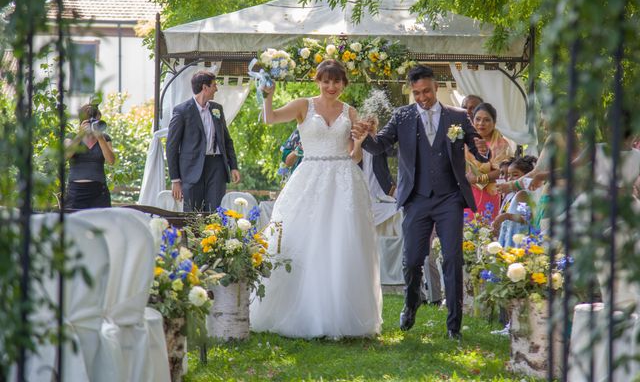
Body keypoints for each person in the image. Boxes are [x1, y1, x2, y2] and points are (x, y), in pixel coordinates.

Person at [354, 65, 490, 340]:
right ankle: (411, 303)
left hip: (449, 198)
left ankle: (454, 326)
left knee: (452, 258)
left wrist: (483, 152)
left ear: (436, 86)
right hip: (416, 199)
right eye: (416, 93)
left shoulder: (458, 116)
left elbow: (477, 148)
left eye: (426, 91)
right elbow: (380, 146)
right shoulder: (402, 116)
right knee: (412, 260)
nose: (422, 97)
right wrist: (365, 136)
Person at [250, 60, 382, 338]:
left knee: (341, 244)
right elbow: (270, 118)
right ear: (317, 81)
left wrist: (360, 141)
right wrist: (268, 96)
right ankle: (301, 312)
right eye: (326, 81)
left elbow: (354, 156)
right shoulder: (303, 105)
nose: (331, 87)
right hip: (309, 177)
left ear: (344, 84)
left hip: (344, 181)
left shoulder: (350, 111)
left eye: (336, 82)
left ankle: (338, 315)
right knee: (302, 241)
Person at [166, 70, 240, 212]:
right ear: (205, 88)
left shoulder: (217, 109)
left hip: (217, 166)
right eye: (214, 85)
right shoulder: (182, 111)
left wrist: (233, 166)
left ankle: (213, 235)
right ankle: (192, 236)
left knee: (214, 213)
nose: (216, 89)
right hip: (191, 169)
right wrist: (175, 180)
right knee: (192, 215)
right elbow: (171, 147)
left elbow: (227, 140)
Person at [465, 102, 514, 220]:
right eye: (478, 119)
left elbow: (502, 171)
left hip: (489, 193)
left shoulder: (501, 144)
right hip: (465, 192)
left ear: (494, 123)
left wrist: (478, 179)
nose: (481, 123)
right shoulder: (465, 141)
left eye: (487, 120)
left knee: (485, 231)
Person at [65, 104, 116, 209]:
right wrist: (80, 135)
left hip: (99, 193)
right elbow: (66, 156)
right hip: (76, 192)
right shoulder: (71, 137)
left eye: (96, 120)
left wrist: (100, 139)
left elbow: (111, 161)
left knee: (101, 224)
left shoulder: (105, 138)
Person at [493, 156, 538, 247]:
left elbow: (526, 218)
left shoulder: (522, 194)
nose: (510, 179)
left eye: (515, 175)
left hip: (518, 239)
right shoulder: (514, 194)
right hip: (511, 235)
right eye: (509, 175)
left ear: (526, 176)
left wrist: (506, 216)